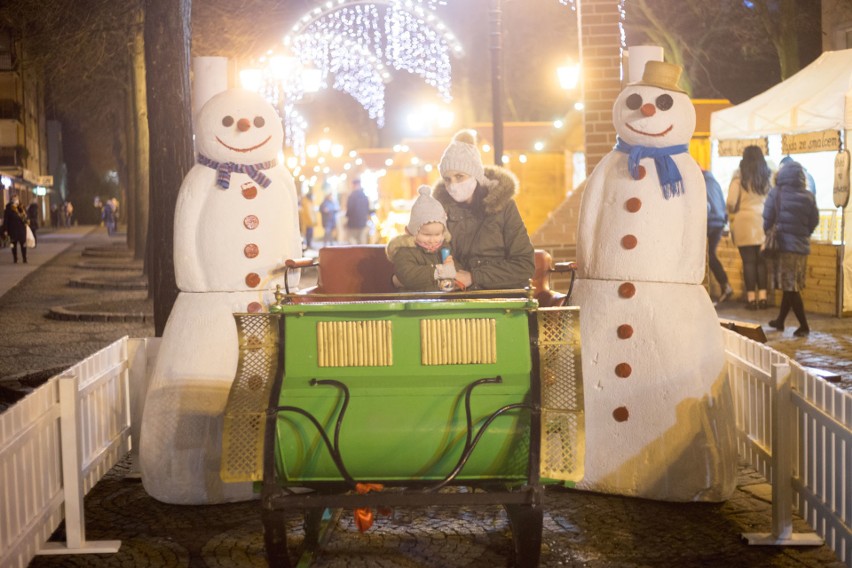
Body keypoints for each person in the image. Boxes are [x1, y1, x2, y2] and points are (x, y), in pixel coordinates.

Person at [432, 129, 535, 290]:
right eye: (447, 179)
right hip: (458, 297)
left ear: (475, 175)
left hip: (502, 298)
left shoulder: (504, 207)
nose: (453, 184)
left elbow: (524, 265)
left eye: (459, 176)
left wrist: (474, 277)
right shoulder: (440, 211)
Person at [764, 160, 819, 337]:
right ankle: (780, 321)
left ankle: (804, 326)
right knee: (791, 285)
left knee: (791, 287)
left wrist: (769, 231)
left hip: (784, 246)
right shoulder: (809, 196)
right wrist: (803, 234)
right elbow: (814, 221)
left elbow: (767, 217)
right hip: (801, 248)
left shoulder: (776, 193)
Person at [386, 185, 456, 291]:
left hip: (441, 300)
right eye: (427, 235)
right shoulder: (405, 251)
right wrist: (438, 271)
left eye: (437, 234)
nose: (432, 240)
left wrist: (452, 267)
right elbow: (407, 275)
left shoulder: (445, 247)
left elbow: (455, 271)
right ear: (412, 232)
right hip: (415, 301)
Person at [726, 145, 771, 310]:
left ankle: (752, 300)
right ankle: (764, 298)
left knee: (749, 262)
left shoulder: (739, 177)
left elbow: (731, 201)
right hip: (762, 221)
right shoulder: (767, 177)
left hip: (744, 221)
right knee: (761, 262)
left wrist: (733, 211)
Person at [705, 170, 732, 305]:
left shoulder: (700, 182)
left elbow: (705, 206)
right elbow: (723, 203)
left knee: (707, 256)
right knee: (710, 255)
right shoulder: (714, 182)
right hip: (719, 222)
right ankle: (725, 285)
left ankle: (724, 286)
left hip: (708, 222)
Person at [3, 196, 29, 263]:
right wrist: (5, 229)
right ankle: (15, 258)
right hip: (12, 229)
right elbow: (6, 220)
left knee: (23, 244)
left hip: (21, 229)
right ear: (11, 200)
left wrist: (26, 221)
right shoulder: (8, 209)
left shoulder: (21, 208)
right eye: (14, 199)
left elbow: (26, 217)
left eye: (16, 199)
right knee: (13, 244)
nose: (16, 201)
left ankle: (24, 258)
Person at [344, 178, 371, 244]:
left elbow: (349, 209)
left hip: (353, 223)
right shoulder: (364, 196)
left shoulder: (351, 197)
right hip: (362, 222)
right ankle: (362, 253)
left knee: (352, 239)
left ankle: (354, 253)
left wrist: (346, 219)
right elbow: (367, 209)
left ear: (354, 185)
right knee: (361, 239)